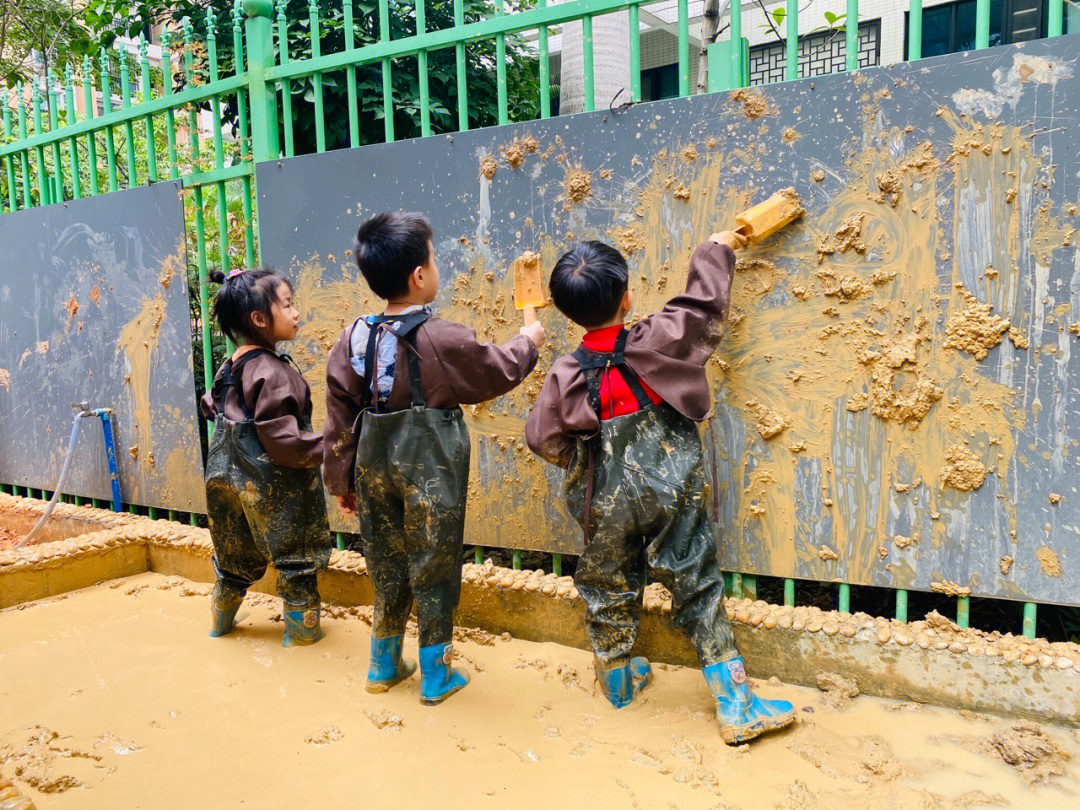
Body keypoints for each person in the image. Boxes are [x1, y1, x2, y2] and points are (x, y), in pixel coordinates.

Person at [525, 234, 796, 744]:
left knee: (606, 578)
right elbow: (702, 306)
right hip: (672, 488)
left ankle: (619, 682)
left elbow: (541, 437)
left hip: (604, 499)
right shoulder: (657, 339)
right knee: (694, 574)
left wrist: (583, 460)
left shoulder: (565, 374)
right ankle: (736, 703)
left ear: (566, 312)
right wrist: (715, 248)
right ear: (626, 298)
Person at [324, 211, 545, 705]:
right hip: (429, 469)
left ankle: (382, 664)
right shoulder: (441, 338)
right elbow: (499, 367)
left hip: (372, 467)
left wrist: (341, 481)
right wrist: (529, 340)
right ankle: (436, 673)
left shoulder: (354, 337)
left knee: (385, 562)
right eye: (434, 260)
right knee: (435, 562)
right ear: (420, 276)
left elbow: (338, 417)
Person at [201, 267, 331, 647]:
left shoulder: (229, 366)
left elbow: (212, 407)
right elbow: (284, 442)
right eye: (287, 305)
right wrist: (334, 443)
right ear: (259, 319)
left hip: (223, 477)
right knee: (296, 557)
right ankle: (303, 637)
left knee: (233, 554)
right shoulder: (272, 372)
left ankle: (220, 624)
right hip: (269, 483)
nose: (295, 313)